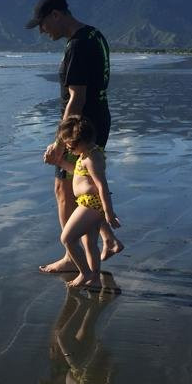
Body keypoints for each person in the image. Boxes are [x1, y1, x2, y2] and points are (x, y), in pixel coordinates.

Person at [26, 0, 124, 273]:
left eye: (43, 24)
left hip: (79, 129)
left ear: (56, 15)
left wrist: (59, 142)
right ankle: (108, 239)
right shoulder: (95, 35)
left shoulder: (78, 45)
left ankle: (73, 256)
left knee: (64, 189)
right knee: (87, 183)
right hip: (98, 121)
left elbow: (76, 98)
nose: (43, 31)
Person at [51, 115, 121, 290]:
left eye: (71, 145)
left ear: (82, 141)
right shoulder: (87, 153)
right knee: (89, 244)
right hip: (87, 202)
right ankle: (95, 278)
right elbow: (77, 172)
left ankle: (85, 273)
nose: (69, 148)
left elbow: (102, 186)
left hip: (92, 204)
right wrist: (60, 162)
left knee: (67, 238)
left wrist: (109, 213)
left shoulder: (91, 158)